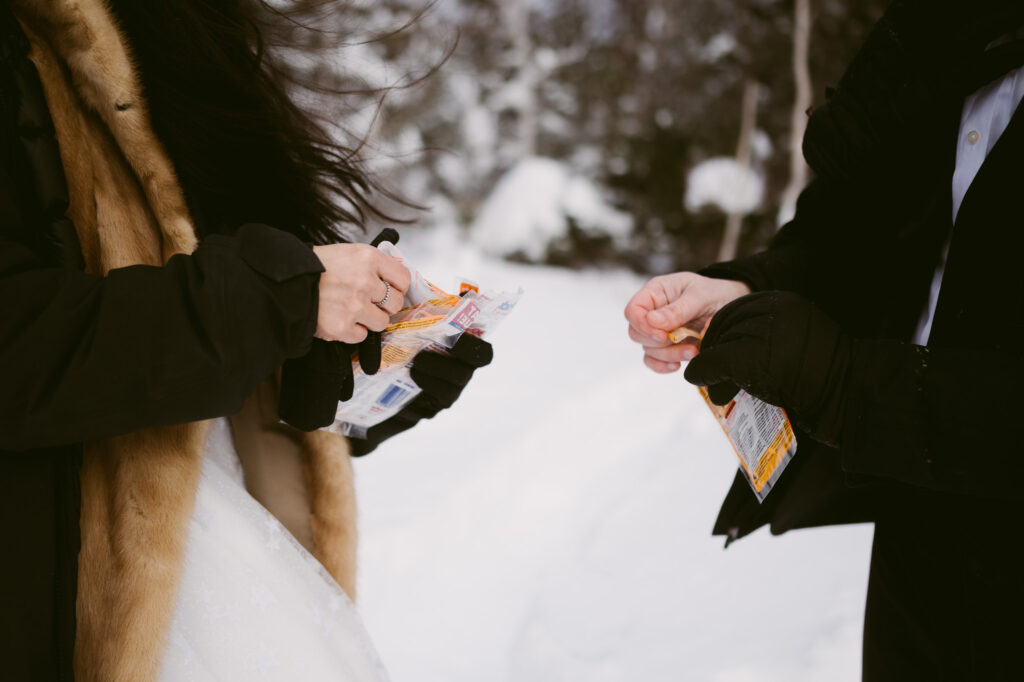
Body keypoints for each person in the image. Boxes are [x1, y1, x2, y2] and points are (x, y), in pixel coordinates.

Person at [0, 0, 491, 680]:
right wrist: (271, 299)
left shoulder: (169, 33)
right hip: (64, 603)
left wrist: (357, 377)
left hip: (204, 565)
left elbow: (188, 326)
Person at [625, 1, 1024, 679]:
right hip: (918, 515)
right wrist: (749, 292)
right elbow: (856, 227)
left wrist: (842, 381)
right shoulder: (960, 30)